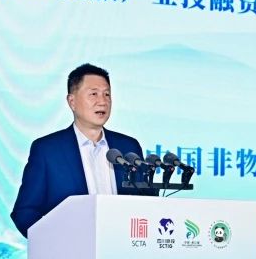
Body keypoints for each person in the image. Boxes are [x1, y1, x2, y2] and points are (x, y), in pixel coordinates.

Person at [10, 63, 156, 237]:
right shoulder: (47, 150)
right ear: (72, 102)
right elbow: (24, 212)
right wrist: (54, 241)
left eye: (107, 94)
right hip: (69, 250)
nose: (102, 101)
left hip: (122, 248)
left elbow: (146, 205)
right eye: (93, 94)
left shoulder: (128, 147)